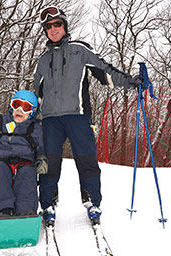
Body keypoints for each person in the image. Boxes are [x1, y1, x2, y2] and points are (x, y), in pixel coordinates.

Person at [33, 6, 141, 226]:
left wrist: (130, 82)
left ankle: (92, 201)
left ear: (64, 26)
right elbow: (37, 94)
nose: (53, 29)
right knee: (49, 163)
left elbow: (105, 71)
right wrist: (28, 117)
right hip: (51, 120)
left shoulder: (79, 50)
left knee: (86, 160)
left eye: (57, 25)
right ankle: (48, 204)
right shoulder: (43, 61)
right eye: (48, 27)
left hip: (78, 116)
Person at [0, 90, 48, 218]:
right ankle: (3, 211)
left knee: (27, 174)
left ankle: (26, 212)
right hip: (0, 161)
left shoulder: (37, 129)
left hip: (25, 162)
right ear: (11, 105)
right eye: (16, 104)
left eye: (26, 107)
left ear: (33, 111)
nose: (20, 110)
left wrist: (42, 159)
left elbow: (43, 150)